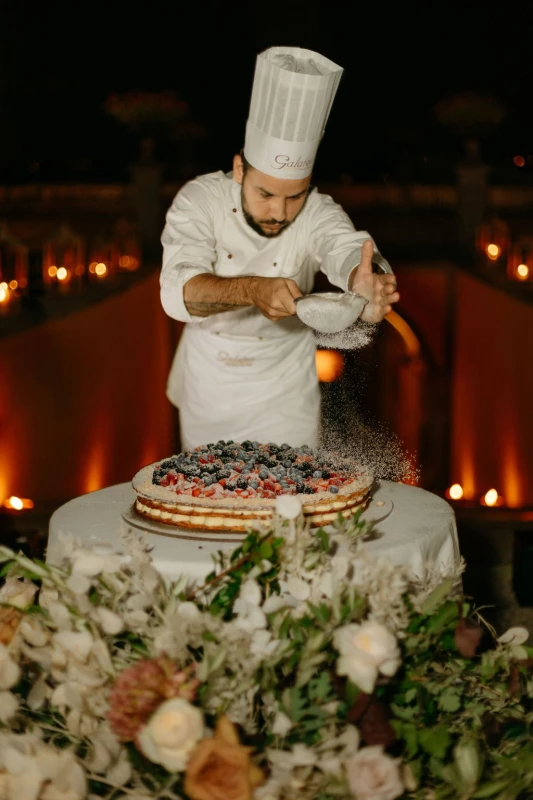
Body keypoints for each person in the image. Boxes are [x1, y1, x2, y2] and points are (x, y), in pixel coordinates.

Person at [160, 46, 399, 450]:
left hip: (287, 386)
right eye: (266, 193)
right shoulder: (199, 199)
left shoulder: (317, 210)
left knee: (290, 502)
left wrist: (366, 276)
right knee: (211, 500)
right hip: (211, 382)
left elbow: (345, 246)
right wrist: (253, 289)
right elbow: (177, 291)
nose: (279, 212)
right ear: (240, 168)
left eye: (295, 196)